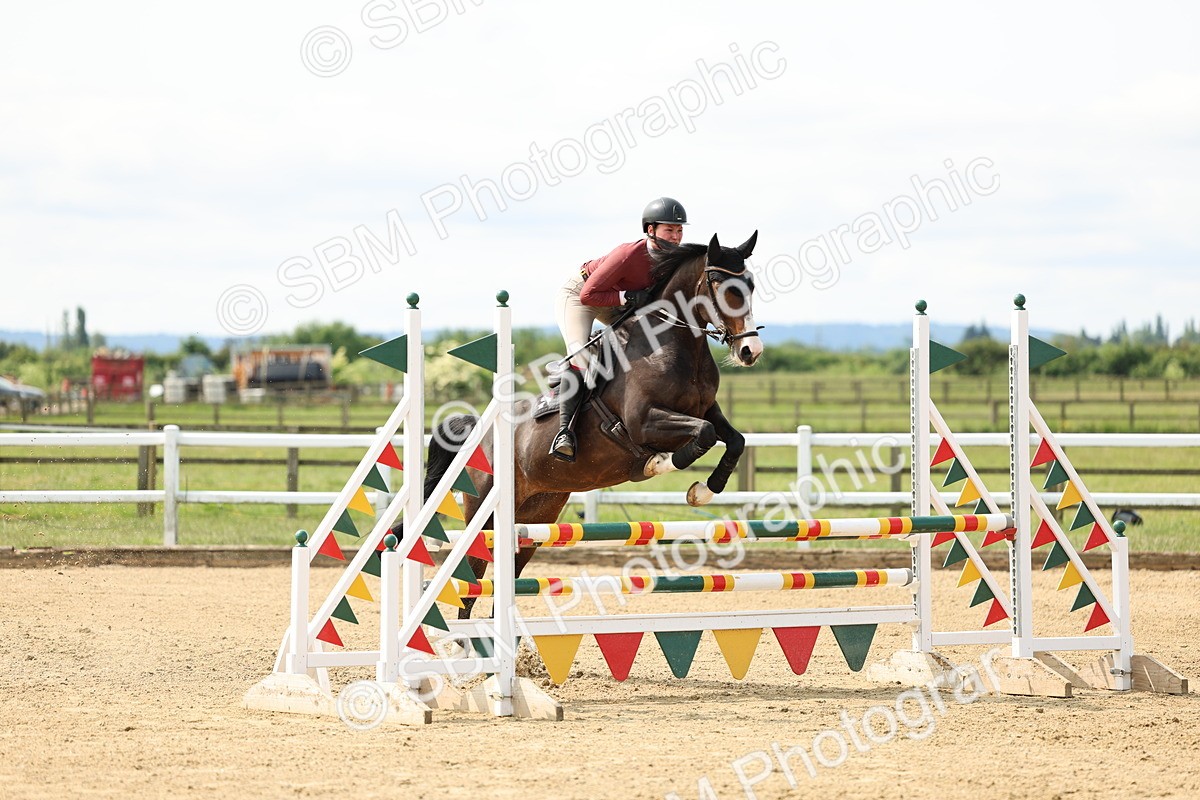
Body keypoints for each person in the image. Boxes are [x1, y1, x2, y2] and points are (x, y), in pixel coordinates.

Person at [549, 196, 688, 462]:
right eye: (669, 229)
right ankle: (564, 432)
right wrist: (627, 297)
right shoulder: (629, 253)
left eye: (679, 230)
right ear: (651, 230)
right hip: (581, 294)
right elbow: (589, 295)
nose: (676, 236)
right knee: (580, 353)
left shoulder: (675, 259)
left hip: (618, 298)